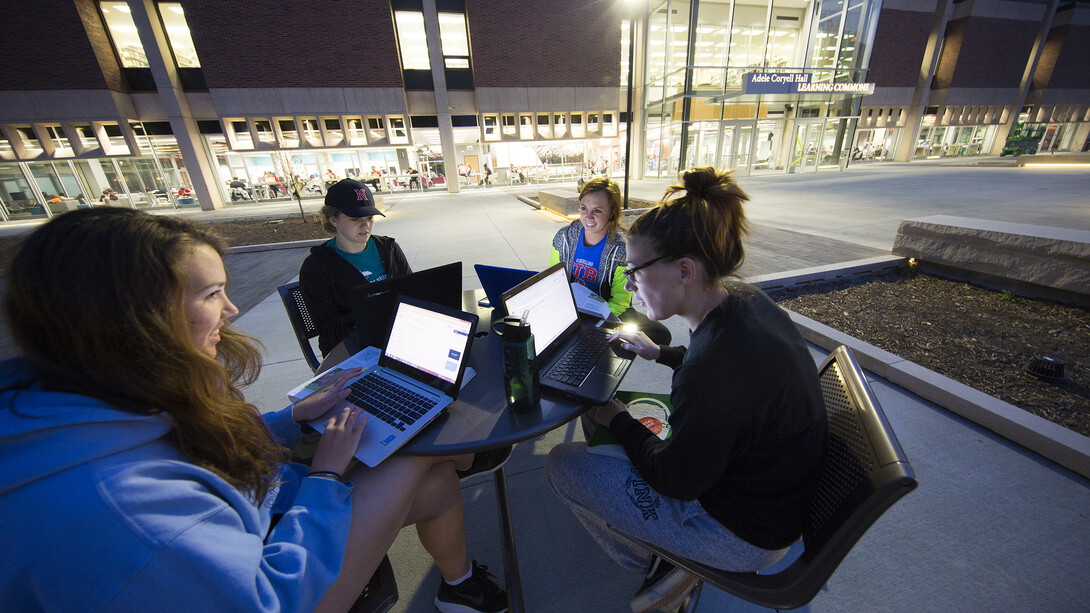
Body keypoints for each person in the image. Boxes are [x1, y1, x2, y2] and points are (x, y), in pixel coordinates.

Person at [0, 208, 508, 613]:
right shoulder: (127, 511)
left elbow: (194, 447)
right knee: (416, 453)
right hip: (278, 582)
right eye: (213, 293)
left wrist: (293, 419)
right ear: (132, 320)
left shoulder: (82, 395)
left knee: (437, 480)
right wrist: (327, 477)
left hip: (254, 507)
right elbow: (272, 599)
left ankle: (458, 587)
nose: (232, 309)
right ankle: (466, 457)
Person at [545, 167, 829, 613]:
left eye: (635, 269)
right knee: (612, 430)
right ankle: (665, 550)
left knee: (563, 464)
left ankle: (661, 560)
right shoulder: (744, 303)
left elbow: (674, 479)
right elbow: (722, 373)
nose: (630, 281)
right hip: (770, 494)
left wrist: (617, 418)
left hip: (741, 535)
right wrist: (664, 355)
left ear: (684, 270)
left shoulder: (712, 373)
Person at [549, 177, 671, 346]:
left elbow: (619, 303)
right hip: (569, 310)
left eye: (597, 211)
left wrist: (592, 322)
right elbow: (554, 282)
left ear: (612, 212)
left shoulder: (622, 248)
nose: (589, 217)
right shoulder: (564, 238)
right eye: (584, 208)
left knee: (661, 335)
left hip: (605, 312)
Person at [299, 179, 411, 356]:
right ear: (333, 219)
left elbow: (412, 292)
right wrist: (372, 313)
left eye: (369, 217)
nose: (365, 225)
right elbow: (327, 328)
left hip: (395, 337)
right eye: (354, 219)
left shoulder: (388, 248)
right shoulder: (317, 266)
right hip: (350, 348)